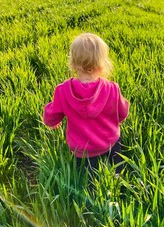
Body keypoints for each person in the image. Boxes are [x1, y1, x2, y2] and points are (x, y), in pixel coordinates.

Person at [43, 32, 129, 175]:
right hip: (111, 142)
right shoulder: (112, 88)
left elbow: (51, 116)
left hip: (81, 150)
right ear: (102, 64)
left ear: (73, 64)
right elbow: (123, 112)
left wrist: (52, 122)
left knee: (87, 181)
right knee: (117, 172)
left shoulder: (63, 90)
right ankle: (118, 185)